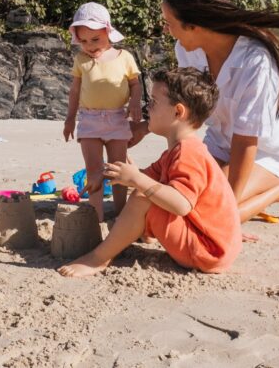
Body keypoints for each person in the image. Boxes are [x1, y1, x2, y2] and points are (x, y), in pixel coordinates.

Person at [129, 0, 279, 225]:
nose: (167, 31)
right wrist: (145, 127)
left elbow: (247, 140)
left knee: (210, 216)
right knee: (174, 198)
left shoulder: (257, 62)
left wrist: (227, 205)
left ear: (194, 26)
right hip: (220, 142)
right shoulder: (187, 49)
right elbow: (189, 105)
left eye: (169, 23)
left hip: (265, 150)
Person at [59, 67, 241, 277]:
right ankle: (139, 231)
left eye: (153, 102)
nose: (147, 108)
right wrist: (105, 174)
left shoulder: (188, 153)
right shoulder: (177, 151)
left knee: (141, 197)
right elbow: (147, 175)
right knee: (146, 189)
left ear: (178, 112)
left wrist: (137, 179)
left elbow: (181, 204)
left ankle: (98, 259)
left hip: (208, 250)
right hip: (209, 243)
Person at [63, 2, 142, 221]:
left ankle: (120, 212)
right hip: (89, 120)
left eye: (95, 39)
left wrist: (135, 103)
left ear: (108, 32)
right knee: (94, 171)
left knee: (118, 170)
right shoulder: (81, 60)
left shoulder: (124, 57)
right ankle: (95, 216)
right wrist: (69, 119)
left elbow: (135, 84)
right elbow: (75, 91)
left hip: (118, 118)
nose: (89, 46)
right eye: (83, 41)